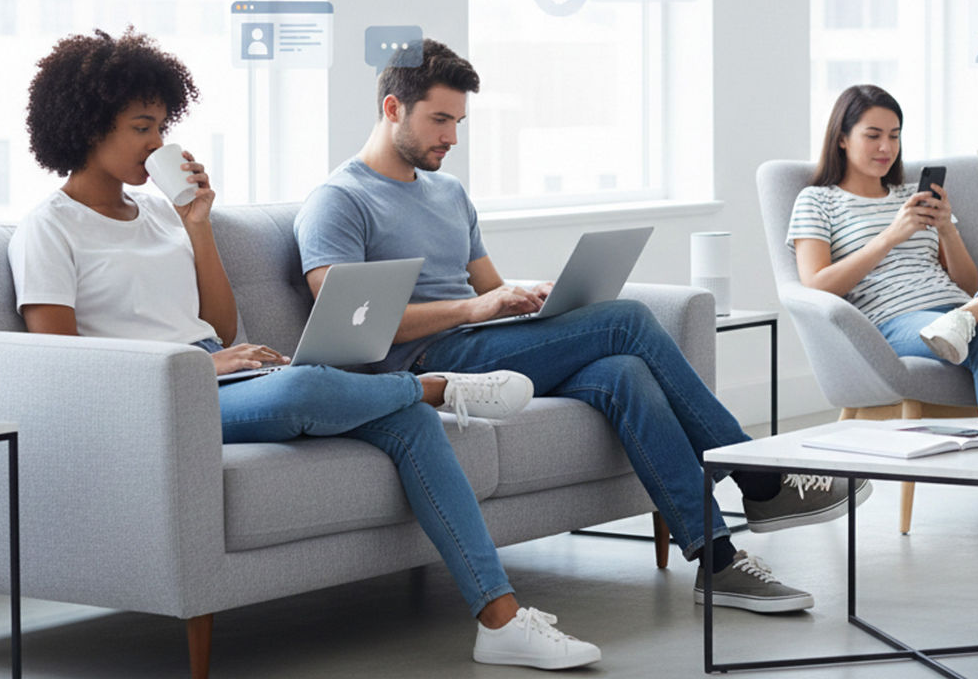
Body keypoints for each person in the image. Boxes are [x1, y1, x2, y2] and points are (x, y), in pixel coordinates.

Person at [8, 29, 601, 670]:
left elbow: (219, 322)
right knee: (306, 385)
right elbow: (66, 369)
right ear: (86, 126)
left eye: (162, 127)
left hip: (221, 372)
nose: (158, 144)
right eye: (141, 128)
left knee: (391, 418)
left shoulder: (159, 215)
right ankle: (440, 388)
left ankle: (500, 618)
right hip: (154, 398)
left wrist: (198, 226)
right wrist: (201, 366)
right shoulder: (48, 229)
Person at [296, 39, 872, 617]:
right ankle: (760, 478)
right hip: (426, 369)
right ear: (393, 108)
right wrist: (476, 310)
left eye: (458, 122)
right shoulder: (341, 201)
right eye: (439, 120)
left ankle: (718, 561)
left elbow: (485, 286)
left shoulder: (448, 193)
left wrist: (529, 298)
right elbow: (351, 328)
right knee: (627, 321)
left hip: (482, 346)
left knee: (623, 373)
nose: (451, 137)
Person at [789, 84, 978, 554]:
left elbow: (966, 281)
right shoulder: (817, 201)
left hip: (964, 309)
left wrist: (947, 229)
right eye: (873, 135)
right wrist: (891, 235)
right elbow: (816, 284)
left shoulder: (913, 194)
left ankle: (971, 319)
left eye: (894, 135)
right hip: (901, 323)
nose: (886, 148)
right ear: (842, 138)